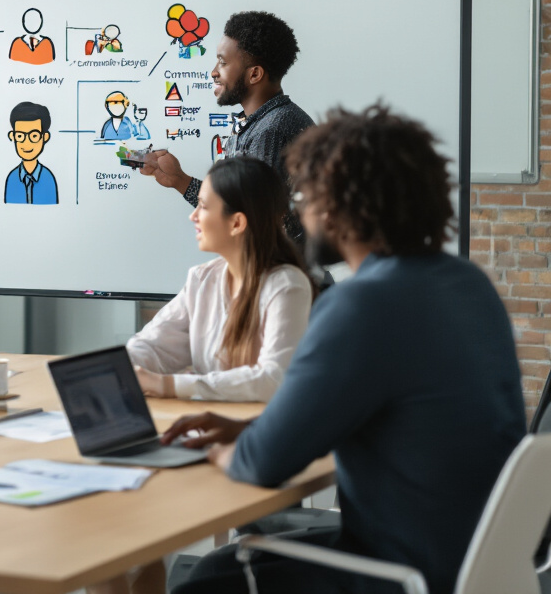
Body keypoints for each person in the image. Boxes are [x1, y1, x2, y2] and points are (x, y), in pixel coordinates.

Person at [163, 106, 526, 594]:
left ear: (335, 207)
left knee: (205, 579)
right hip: (474, 557)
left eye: (304, 197)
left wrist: (216, 451)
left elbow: (264, 465)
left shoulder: (361, 304)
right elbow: (351, 413)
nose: (299, 212)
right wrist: (248, 427)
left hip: (402, 570)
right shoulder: (467, 285)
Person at [127, 156, 312, 403]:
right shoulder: (202, 279)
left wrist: (168, 385)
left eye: (203, 206)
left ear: (236, 222)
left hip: (258, 432)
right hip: (210, 425)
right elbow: (154, 346)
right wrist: (120, 368)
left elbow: (272, 379)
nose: (194, 217)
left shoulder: (287, 286)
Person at [140, 11, 314, 243]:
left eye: (222, 62)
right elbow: (238, 207)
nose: (214, 71)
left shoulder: (271, 130)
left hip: (275, 276)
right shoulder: (259, 122)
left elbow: (250, 224)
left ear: (254, 74)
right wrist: (179, 180)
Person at [4, 101, 58, 205]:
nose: (26, 142)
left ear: (45, 137)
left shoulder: (48, 178)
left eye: (34, 136)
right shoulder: (12, 178)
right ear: (12, 136)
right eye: (20, 136)